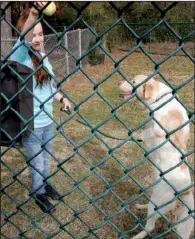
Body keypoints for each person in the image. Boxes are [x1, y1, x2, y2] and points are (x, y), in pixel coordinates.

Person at [11, 2, 71, 214]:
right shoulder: (21, 56)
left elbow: (50, 87)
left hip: (47, 121)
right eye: (33, 34)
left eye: (40, 34)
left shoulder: (44, 58)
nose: (37, 38)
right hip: (31, 123)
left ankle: (45, 185)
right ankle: (38, 194)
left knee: (46, 157)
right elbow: (25, 37)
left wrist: (62, 98)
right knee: (37, 161)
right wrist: (35, 12)